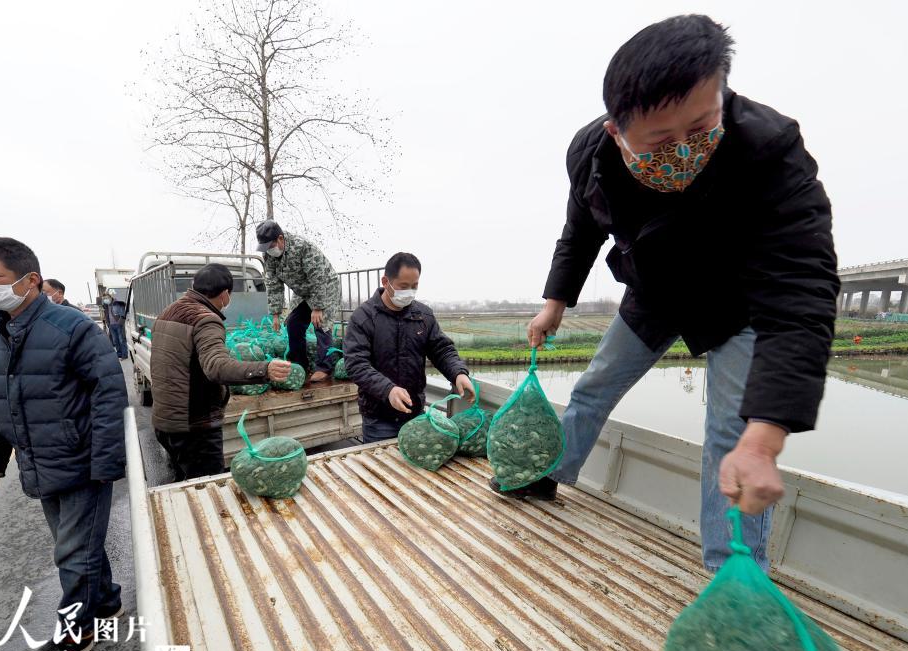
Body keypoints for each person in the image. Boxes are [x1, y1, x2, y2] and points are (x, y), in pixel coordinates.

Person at [493, 15, 839, 575]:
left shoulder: (771, 152)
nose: (683, 150)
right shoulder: (589, 156)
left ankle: (735, 581)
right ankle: (546, 473)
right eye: (659, 140)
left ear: (721, 95)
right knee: (592, 389)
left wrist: (768, 432)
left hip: (737, 305)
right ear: (616, 130)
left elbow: (802, 290)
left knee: (733, 439)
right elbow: (581, 229)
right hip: (652, 293)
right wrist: (556, 301)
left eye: (701, 129)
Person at [0, 237, 129, 651]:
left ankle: (75, 632)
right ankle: (107, 601)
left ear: (31, 280)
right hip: (38, 462)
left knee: (73, 552)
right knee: (78, 544)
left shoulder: (72, 328)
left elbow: (109, 393)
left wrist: (108, 462)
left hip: (81, 460)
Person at [151, 264, 293, 481]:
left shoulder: (167, 312)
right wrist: (265, 369)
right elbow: (216, 366)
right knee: (208, 491)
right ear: (226, 294)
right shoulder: (205, 319)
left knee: (184, 487)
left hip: (165, 421)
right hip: (194, 428)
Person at [344, 252, 476, 443]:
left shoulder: (423, 316)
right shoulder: (363, 318)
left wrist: (458, 373)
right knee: (382, 470)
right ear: (385, 281)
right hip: (378, 418)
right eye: (403, 287)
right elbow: (356, 364)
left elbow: (442, 350)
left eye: (414, 287)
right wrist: (388, 390)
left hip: (415, 414)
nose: (409, 292)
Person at [256, 219, 341, 383]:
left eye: (270, 246)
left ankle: (324, 367)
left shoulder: (302, 247)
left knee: (321, 324)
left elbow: (318, 278)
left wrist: (317, 308)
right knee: (293, 322)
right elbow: (273, 283)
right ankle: (299, 363)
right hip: (302, 291)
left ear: (280, 239)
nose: (268, 251)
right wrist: (275, 313)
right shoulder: (268, 255)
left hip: (325, 286)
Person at [103, 289, 128, 360]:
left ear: (111, 297)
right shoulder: (106, 305)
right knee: (115, 341)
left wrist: (120, 323)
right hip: (111, 325)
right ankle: (119, 354)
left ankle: (124, 355)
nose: (106, 300)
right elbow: (106, 315)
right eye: (104, 299)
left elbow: (123, 314)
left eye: (107, 298)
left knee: (121, 340)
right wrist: (108, 324)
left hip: (118, 325)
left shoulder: (117, 303)